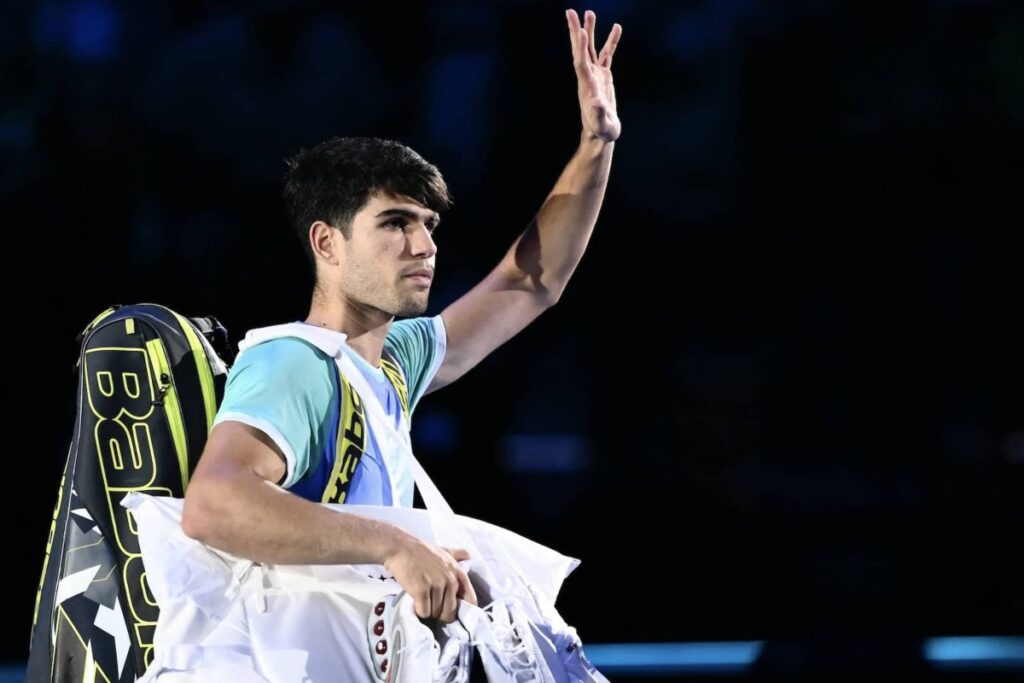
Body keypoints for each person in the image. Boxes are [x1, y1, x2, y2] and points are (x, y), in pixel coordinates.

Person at [181, 8, 621, 628]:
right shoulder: (293, 362)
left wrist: (597, 143)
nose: (424, 246)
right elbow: (213, 504)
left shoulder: (393, 359)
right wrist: (394, 545)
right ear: (326, 244)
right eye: (395, 224)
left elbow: (529, 282)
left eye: (428, 225)